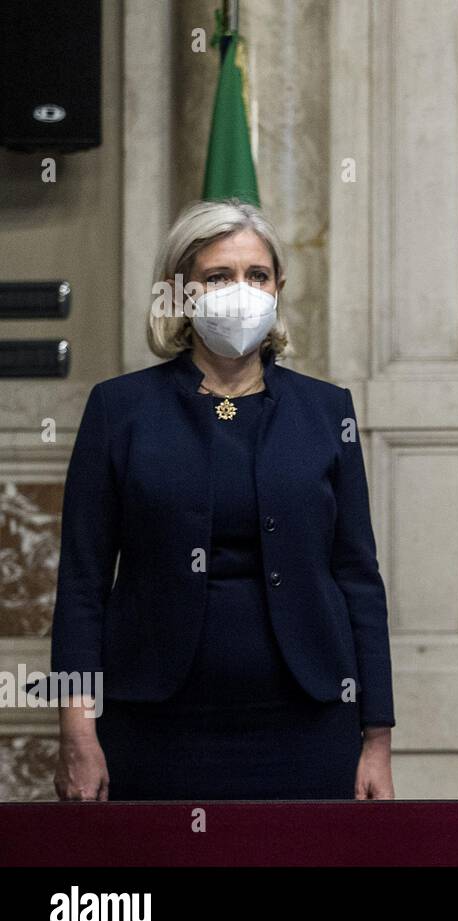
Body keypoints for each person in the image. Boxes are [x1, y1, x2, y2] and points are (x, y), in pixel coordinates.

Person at [49, 198, 396, 800]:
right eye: (218, 277)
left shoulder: (326, 411)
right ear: (179, 293)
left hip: (307, 722)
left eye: (257, 276)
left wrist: (377, 738)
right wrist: (78, 731)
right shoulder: (120, 410)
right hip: (154, 723)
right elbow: (82, 585)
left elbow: (357, 576)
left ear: (279, 288)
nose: (242, 291)